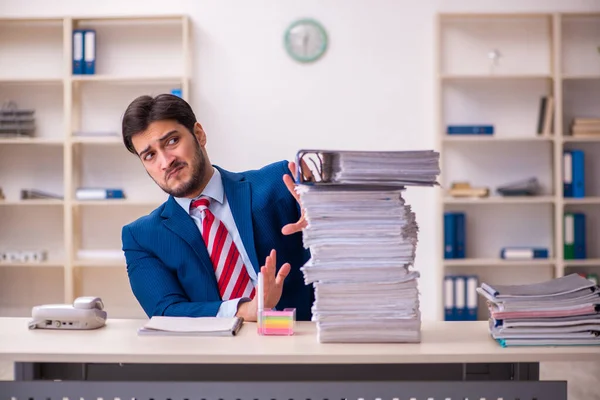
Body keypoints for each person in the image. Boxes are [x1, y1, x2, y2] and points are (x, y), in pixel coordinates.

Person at [120, 93, 313, 321]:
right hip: (214, 352)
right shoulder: (142, 237)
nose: (165, 161)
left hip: (302, 346)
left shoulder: (280, 183)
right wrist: (245, 311)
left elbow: (347, 257)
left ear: (199, 134)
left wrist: (327, 220)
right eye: (150, 155)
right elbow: (165, 311)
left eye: (172, 141)